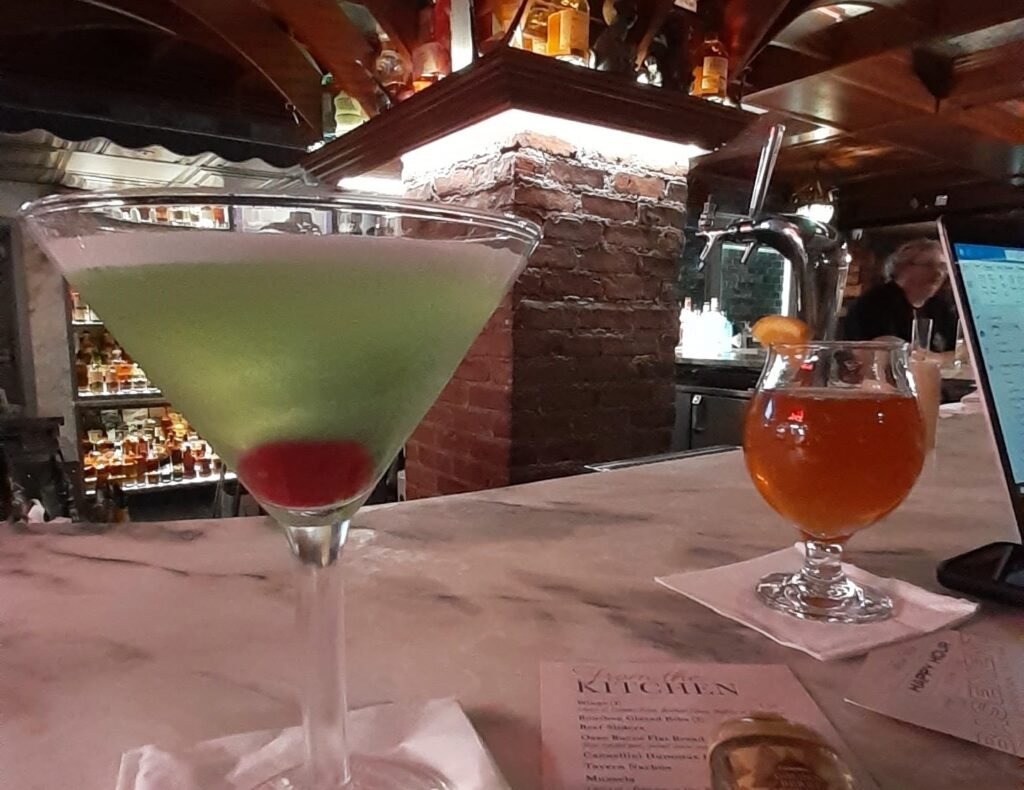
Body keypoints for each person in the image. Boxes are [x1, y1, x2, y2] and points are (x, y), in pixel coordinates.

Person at [843, 238, 957, 351]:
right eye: (929, 265)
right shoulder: (875, 302)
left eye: (943, 266)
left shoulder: (940, 306)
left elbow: (959, 348)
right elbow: (883, 352)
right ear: (903, 267)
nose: (939, 273)